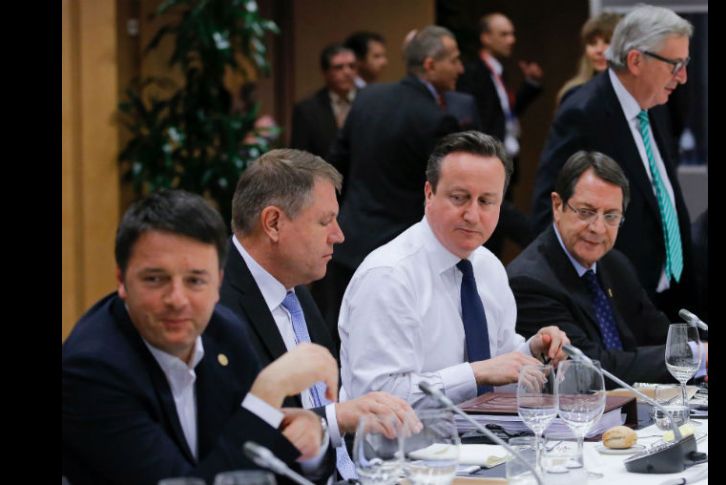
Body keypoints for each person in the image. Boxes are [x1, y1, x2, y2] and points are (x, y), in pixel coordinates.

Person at [62, 190, 338, 485]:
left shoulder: (224, 333)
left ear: (218, 282)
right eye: (155, 279)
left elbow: (258, 460)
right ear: (121, 280)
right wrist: (268, 392)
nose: (177, 299)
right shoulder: (91, 371)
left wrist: (313, 445)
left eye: (195, 280)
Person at [219, 149, 417, 480]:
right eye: (325, 221)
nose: (339, 235)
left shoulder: (294, 289)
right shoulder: (216, 307)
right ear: (273, 223)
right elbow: (238, 437)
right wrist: (337, 418)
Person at [339, 131, 568, 407]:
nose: (472, 215)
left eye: (486, 201)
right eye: (459, 198)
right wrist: (474, 374)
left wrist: (532, 353)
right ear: (429, 194)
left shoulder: (489, 267)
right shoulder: (389, 276)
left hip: (484, 432)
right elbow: (377, 398)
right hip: (406, 436)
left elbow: (498, 369)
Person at [531, 5, 698, 320]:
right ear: (635, 61)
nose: (683, 76)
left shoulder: (655, 103)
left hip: (669, 292)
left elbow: (660, 194)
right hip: (615, 303)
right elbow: (548, 210)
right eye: (675, 65)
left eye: (685, 64)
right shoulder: (583, 112)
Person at [317, 25, 463, 349]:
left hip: (349, 240)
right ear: (430, 65)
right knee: (389, 346)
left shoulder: (367, 98)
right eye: (454, 60)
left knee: (340, 339)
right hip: (399, 254)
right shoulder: (435, 118)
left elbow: (334, 164)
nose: (460, 68)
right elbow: (444, 192)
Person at [508, 151, 706, 385]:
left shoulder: (614, 264)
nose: (598, 228)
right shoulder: (530, 282)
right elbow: (589, 369)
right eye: (586, 212)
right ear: (557, 206)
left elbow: (660, 336)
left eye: (611, 216)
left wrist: (698, 357)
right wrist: (696, 356)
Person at [456, 12, 544, 255]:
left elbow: (505, 114)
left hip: (504, 161)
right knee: (495, 228)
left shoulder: (499, 72)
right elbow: (479, 121)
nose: (511, 40)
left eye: (512, 34)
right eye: (504, 34)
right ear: (486, 37)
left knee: (496, 234)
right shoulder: (474, 73)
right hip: (487, 162)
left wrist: (530, 86)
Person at [291, 44, 357, 160]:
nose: (347, 72)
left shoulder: (369, 102)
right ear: (325, 72)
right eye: (339, 67)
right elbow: (299, 156)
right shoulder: (307, 109)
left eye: (352, 66)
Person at [556, 12, 622, 106]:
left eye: (607, 42)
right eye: (593, 43)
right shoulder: (573, 94)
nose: (599, 50)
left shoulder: (638, 94)